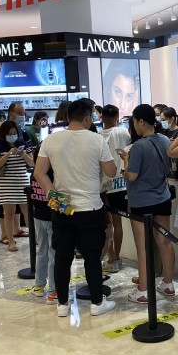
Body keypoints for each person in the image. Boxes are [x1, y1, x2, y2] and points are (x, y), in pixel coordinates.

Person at [34, 99, 118, 317]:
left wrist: (53, 194)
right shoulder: (97, 140)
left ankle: (62, 304)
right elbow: (111, 172)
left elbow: (39, 173)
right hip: (90, 208)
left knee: (62, 257)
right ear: (88, 117)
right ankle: (97, 303)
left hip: (62, 209)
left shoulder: (51, 140)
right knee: (92, 257)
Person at [120, 104, 176, 304]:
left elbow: (132, 176)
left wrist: (125, 162)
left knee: (142, 247)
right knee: (165, 242)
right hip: (162, 198)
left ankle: (143, 289)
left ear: (141, 121)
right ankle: (168, 284)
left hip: (141, 201)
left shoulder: (139, 146)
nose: (134, 126)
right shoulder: (164, 140)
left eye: (134, 122)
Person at [0, 121, 34, 252]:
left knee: (28, 213)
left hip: (23, 183)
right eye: (10, 134)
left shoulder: (24, 145)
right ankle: (10, 241)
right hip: (6, 185)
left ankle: (34, 237)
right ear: (4, 134)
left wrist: (23, 154)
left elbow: (32, 163)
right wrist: (8, 154)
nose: (13, 136)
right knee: (9, 213)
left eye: (15, 133)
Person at [99, 105, 131, 273]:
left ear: (102, 117)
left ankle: (111, 258)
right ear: (117, 117)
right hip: (124, 183)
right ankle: (116, 258)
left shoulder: (97, 137)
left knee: (108, 224)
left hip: (105, 186)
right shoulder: (124, 133)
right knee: (118, 223)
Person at [30, 148, 56, 304]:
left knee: (41, 251)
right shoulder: (51, 174)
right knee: (53, 253)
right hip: (52, 218)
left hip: (38, 217)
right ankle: (53, 290)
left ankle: (39, 286)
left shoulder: (35, 173)